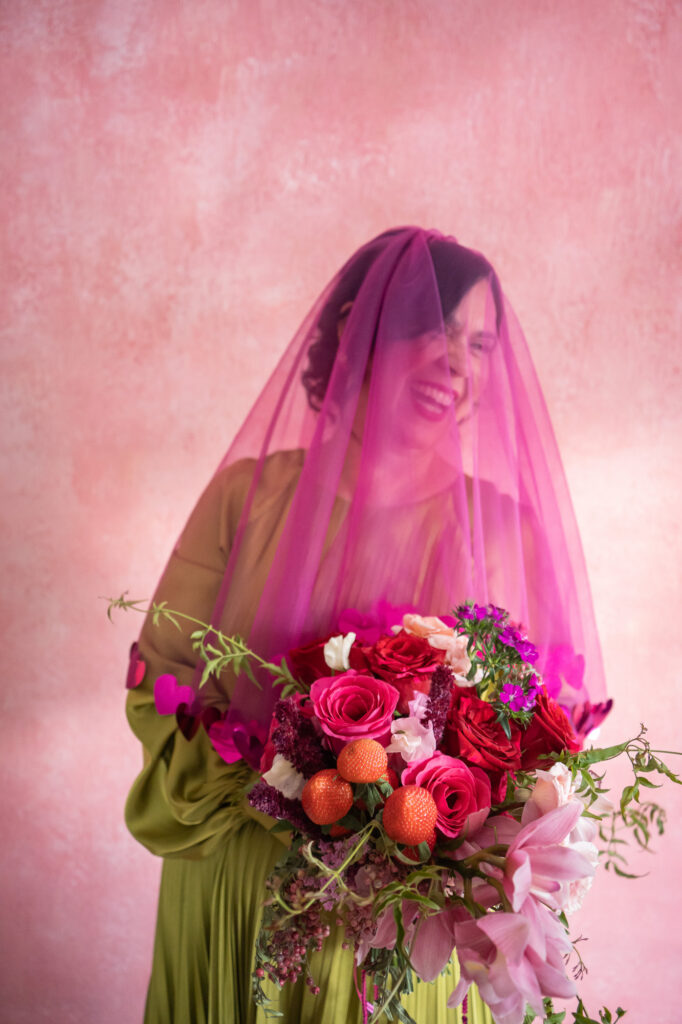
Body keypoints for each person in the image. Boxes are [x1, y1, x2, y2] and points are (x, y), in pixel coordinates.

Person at [125, 227, 607, 1023]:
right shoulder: (248, 502)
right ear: (357, 332)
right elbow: (163, 685)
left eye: (480, 344)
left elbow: (532, 743)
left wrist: (418, 825)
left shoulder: (504, 533)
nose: (458, 363)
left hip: (409, 924)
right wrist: (288, 794)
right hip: (245, 888)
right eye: (434, 329)